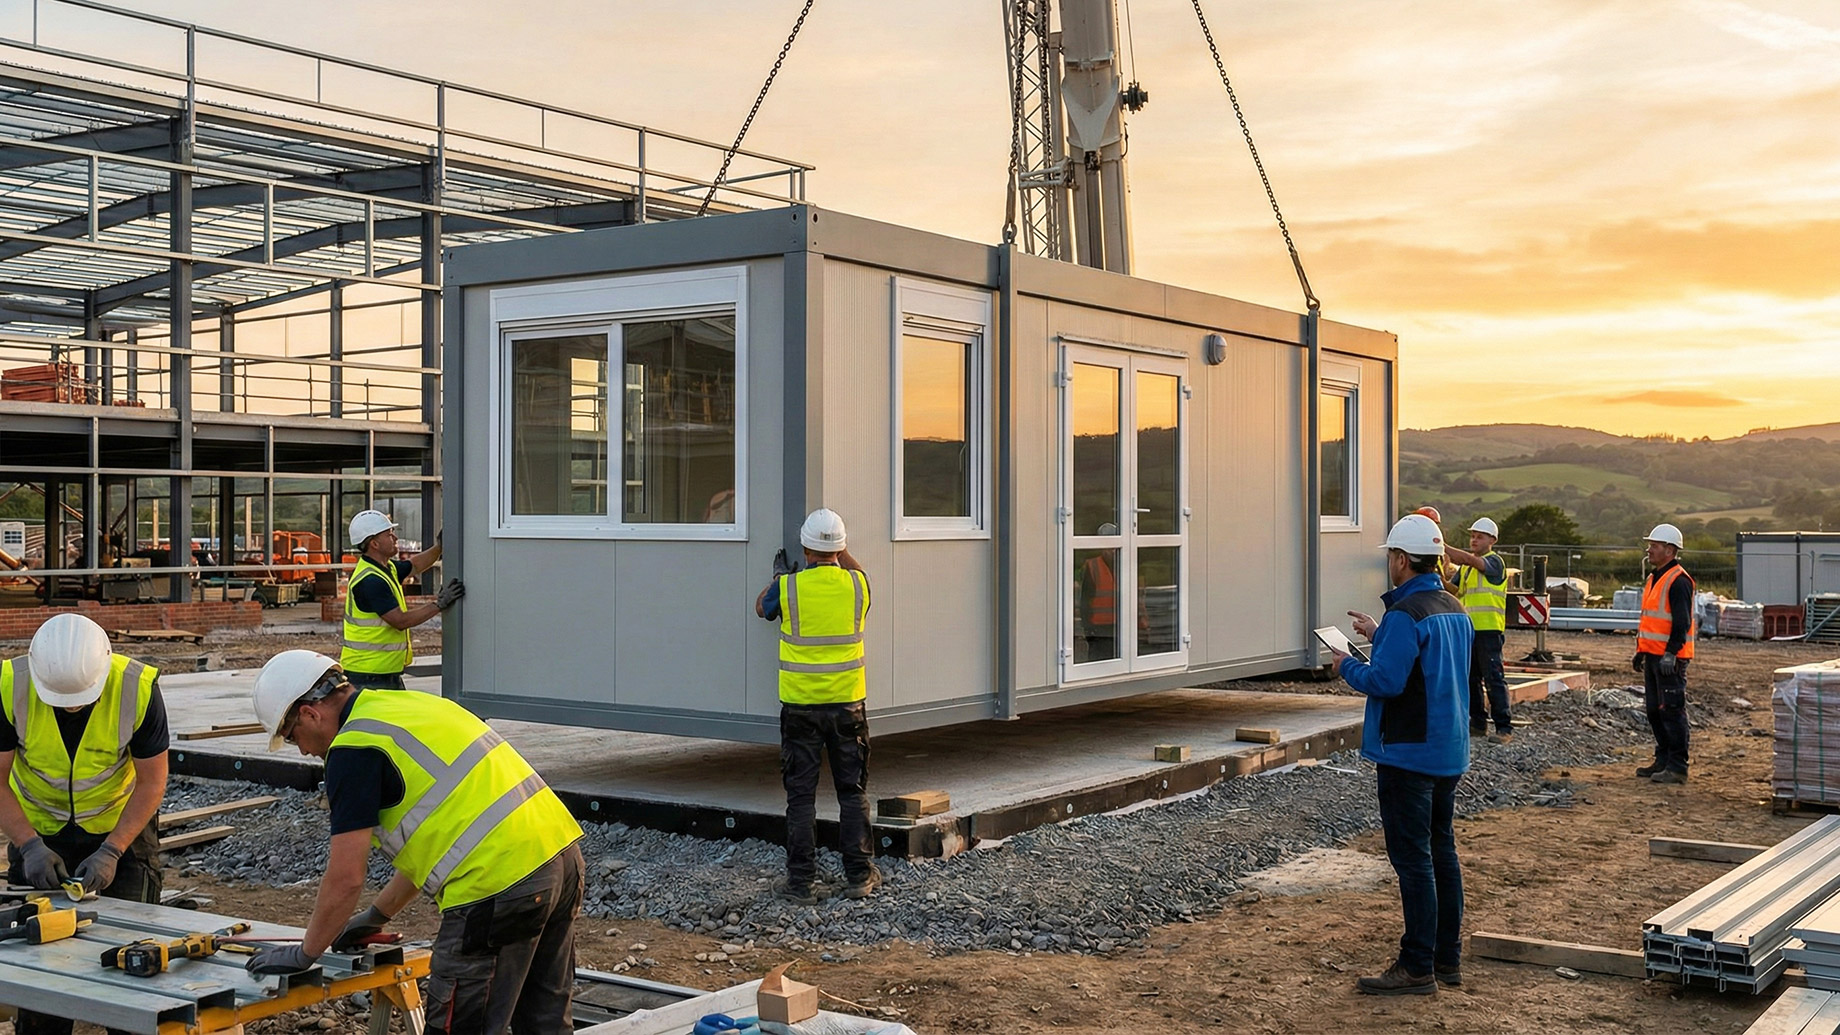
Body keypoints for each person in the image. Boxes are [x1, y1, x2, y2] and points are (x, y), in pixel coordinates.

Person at [247, 650, 584, 1035]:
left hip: (495, 885)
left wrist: (307, 951)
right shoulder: (404, 706)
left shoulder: (353, 749)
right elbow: (444, 841)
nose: (304, 750)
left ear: (310, 713)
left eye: (293, 738)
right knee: (544, 1023)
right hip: (560, 857)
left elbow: (346, 877)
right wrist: (375, 917)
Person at [0, 614, 168, 1035]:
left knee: (133, 971)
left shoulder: (137, 687)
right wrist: (28, 845)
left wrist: (112, 849)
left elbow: (151, 782)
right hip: (41, 832)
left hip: (121, 829)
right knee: (41, 980)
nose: (70, 706)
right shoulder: (9, 686)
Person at [1331, 514, 1472, 996]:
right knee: (1441, 852)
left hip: (1409, 755)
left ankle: (1416, 966)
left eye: (1389, 556)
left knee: (1414, 862)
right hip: (1448, 750)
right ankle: (1445, 958)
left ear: (1400, 559)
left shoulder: (1405, 615)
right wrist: (1379, 635)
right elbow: (1425, 665)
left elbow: (1386, 682)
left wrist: (1346, 664)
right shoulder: (1452, 606)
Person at [754, 508, 878, 904]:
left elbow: (762, 608)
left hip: (801, 709)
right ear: (840, 548)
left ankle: (801, 883)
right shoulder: (858, 586)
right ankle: (859, 875)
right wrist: (838, 552)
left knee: (801, 797)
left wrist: (778, 577)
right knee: (852, 792)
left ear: (805, 547)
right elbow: (857, 572)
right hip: (848, 708)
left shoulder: (789, 588)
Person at [342, 510, 463, 690]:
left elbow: (415, 565)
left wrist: (439, 547)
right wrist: (440, 603)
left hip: (380, 672)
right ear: (374, 543)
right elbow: (400, 620)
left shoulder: (385, 568)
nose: (396, 538)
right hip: (369, 675)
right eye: (389, 535)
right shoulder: (370, 580)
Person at [1633, 523, 1695, 784]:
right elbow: (1650, 620)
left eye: (1654, 546)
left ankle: (1677, 766)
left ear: (1669, 550)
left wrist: (1671, 652)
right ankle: (1663, 759)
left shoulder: (1678, 581)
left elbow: (1682, 622)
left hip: (1671, 658)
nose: (1649, 550)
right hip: (1654, 655)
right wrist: (1641, 651)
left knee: (1671, 710)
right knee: (1654, 710)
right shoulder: (1653, 578)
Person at [1445, 516, 1512, 743]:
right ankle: (1478, 724)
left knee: (1493, 678)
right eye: (1472, 536)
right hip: (1468, 631)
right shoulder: (1465, 569)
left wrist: (1442, 547)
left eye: (1479, 536)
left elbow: (1468, 559)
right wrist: (1435, 575)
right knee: (1470, 679)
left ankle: (1504, 728)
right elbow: (1452, 591)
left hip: (1489, 631)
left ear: (1492, 540)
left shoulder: (1495, 563)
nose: (1474, 540)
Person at [1076, 523, 1120, 663]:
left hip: (1123, 627)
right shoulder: (1092, 567)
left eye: (1114, 546)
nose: (1111, 551)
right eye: (1108, 546)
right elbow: (1085, 601)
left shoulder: (1127, 565)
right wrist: (1088, 629)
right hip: (1100, 631)